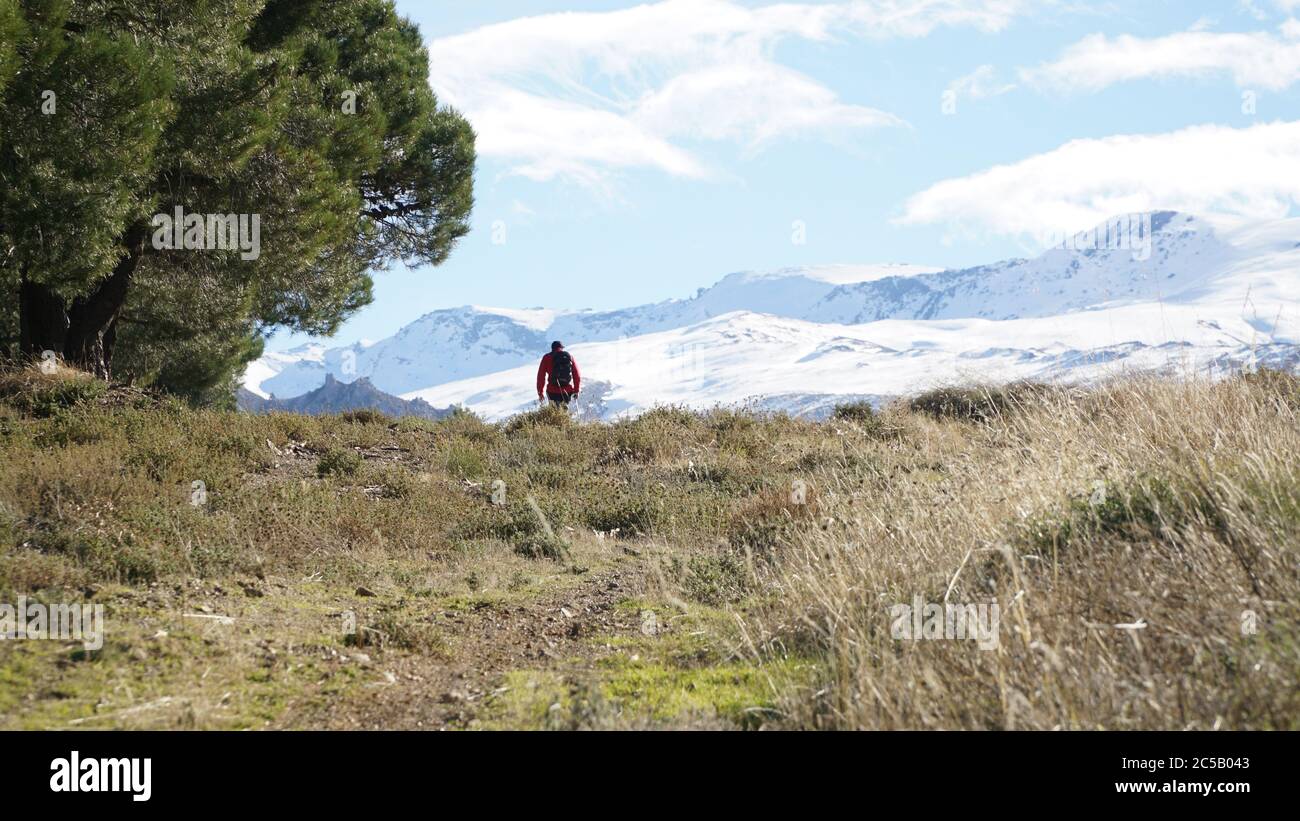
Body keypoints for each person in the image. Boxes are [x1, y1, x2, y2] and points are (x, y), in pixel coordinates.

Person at [536, 340, 580, 408]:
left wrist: (540, 392)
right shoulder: (569, 357)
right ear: (561, 348)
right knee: (564, 411)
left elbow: (541, 376)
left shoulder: (547, 357)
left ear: (552, 348)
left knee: (554, 412)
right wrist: (576, 390)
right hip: (567, 390)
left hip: (552, 391)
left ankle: (557, 418)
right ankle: (564, 418)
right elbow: (576, 375)